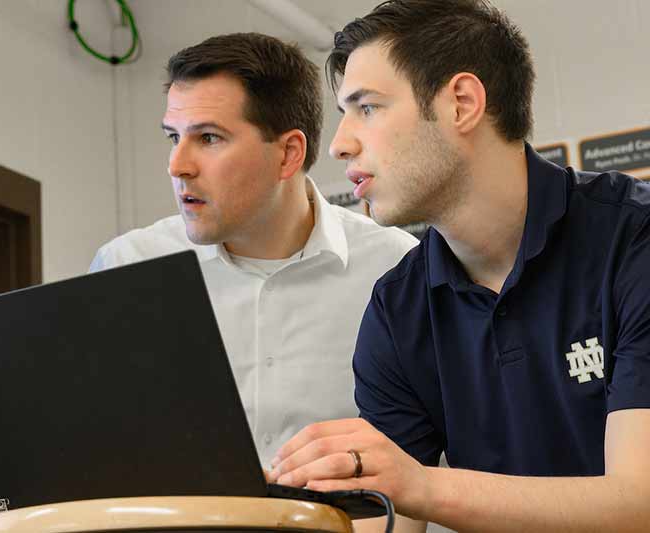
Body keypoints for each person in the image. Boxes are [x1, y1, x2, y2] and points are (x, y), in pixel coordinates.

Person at [268, 1, 650, 532]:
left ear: (462, 103)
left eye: (368, 108)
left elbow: (639, 504)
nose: (338, 144)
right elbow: (391, 519)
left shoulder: (636, 241)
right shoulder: (397, 307)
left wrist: (417, 484)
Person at [89, 32, 417, 468]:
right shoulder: (126, 268)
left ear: (288, 154)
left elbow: (424, 466)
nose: (177, 166)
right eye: (174, 137)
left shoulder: (397, 270)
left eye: (208, 138)